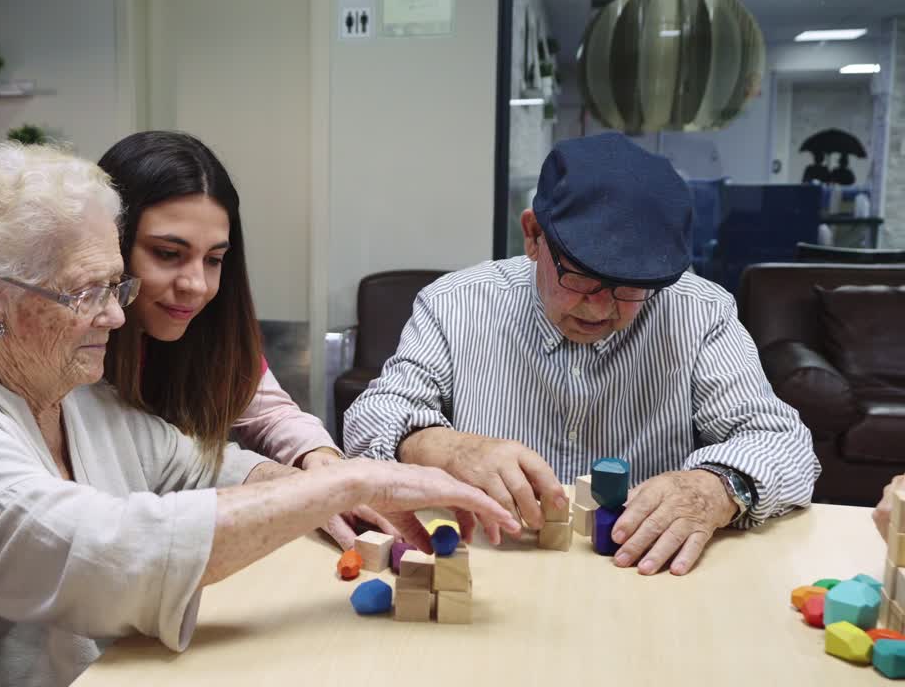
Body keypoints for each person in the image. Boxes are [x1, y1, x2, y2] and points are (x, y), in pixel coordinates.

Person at [0, 142, 517, 686]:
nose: (115, 313)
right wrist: (350, 484)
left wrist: (302, 478)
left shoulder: (70, 391)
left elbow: (205, 459)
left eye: (116, 286)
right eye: (87, 294)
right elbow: (113, 557)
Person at [0, 132, 397, 655]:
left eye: (216, 259)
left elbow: (248, 421)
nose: (196, 285)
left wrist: (321, 467)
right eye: (167, 254)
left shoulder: (92, 364)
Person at [344, 132, 820, 577]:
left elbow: (783, 443)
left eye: (631, 287)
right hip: (498, 567)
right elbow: (371, 417)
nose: (602, 307)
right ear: (533, 236)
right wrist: (440, 446)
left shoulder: (701, 313)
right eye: (580, 278)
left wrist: (717, 488)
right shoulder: (454, 303)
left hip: (642, 576)